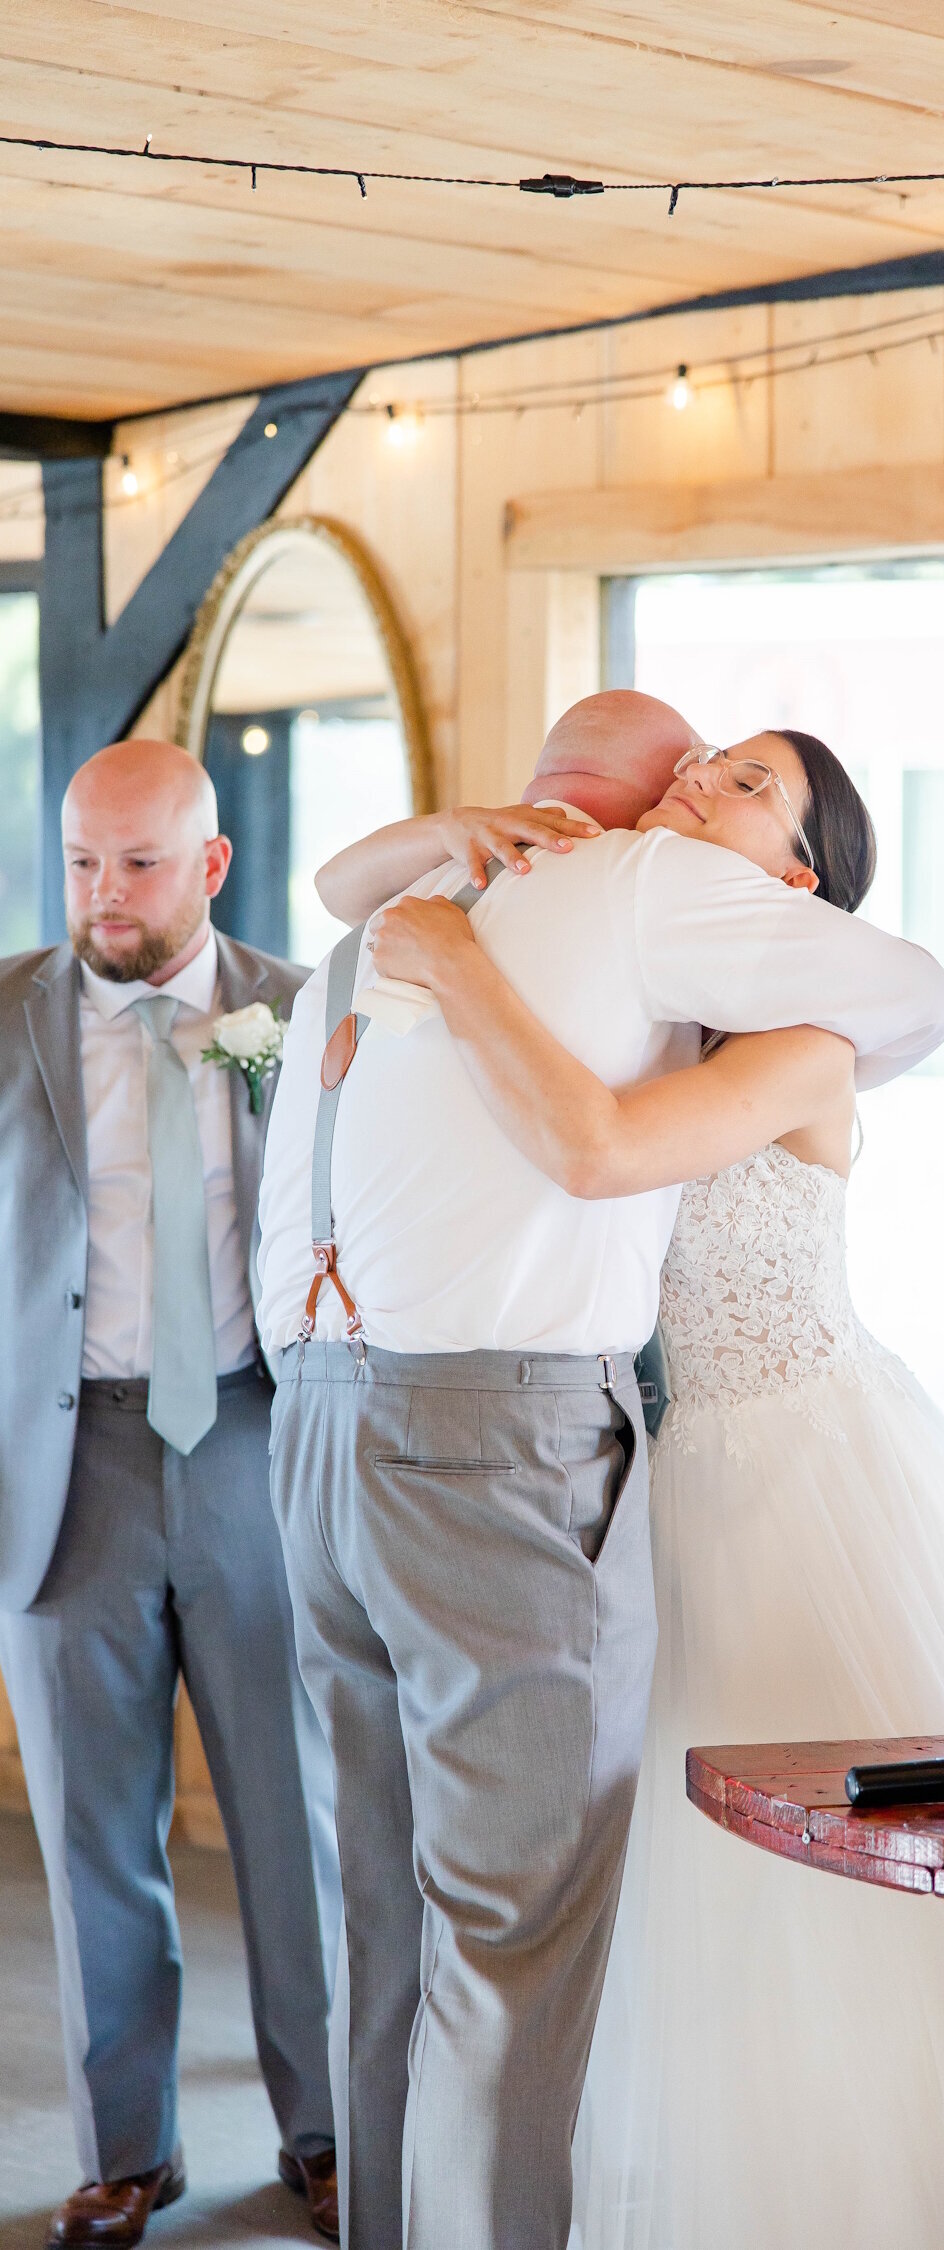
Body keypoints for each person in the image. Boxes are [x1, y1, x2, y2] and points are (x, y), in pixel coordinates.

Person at [354, 723, 944, 2250]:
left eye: (750, 784)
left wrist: (454, 961)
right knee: (658, 1913)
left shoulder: (807, 1044)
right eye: (709, 760)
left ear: (800, 876)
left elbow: (600, 1148)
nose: (705, 779)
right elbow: (351, 893)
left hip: (805, 1481)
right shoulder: (661, 1001)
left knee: (819, 1910)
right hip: (659, 1482)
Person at [0, 740, 342, 2249]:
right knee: (92, 1829)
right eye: (81, 860)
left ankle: (328, 2127)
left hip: (256, 1451)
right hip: (61, 1471)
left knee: (297, 1815)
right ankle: (127, 2149)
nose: (103, 895)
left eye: (138, 864)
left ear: (208, 865)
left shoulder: (297, 1009)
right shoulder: (6, 1015)